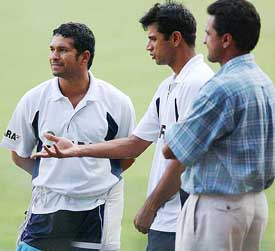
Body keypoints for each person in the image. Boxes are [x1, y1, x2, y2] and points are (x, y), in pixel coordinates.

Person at [33, 3, 214, 251]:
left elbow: (183, 158)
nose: (148, 46)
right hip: (168, 218)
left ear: (175, 38)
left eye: (153, 39)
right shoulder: (170, 85)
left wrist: (150, 206)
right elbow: (135, 144)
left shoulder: (197, 84)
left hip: (184, 218)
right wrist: (74, 149)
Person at [0, 22, 136, 251]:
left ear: (84, 57)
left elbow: (128, 155)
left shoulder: (117, 102)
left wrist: (90, 179)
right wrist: (50, 177)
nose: (54, 56)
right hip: (46, 207)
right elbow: (18, 154)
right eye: (52, 49)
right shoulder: (33, 100)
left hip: (95, 211)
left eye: (62, 50)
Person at [161, 0, 275, 250]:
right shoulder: (264, 82)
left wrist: (171, 128)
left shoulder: (221, 87)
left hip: (218, 210)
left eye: (208, 33)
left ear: (226, 40)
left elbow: (174, 149)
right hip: (255, 205)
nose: (203, 40)